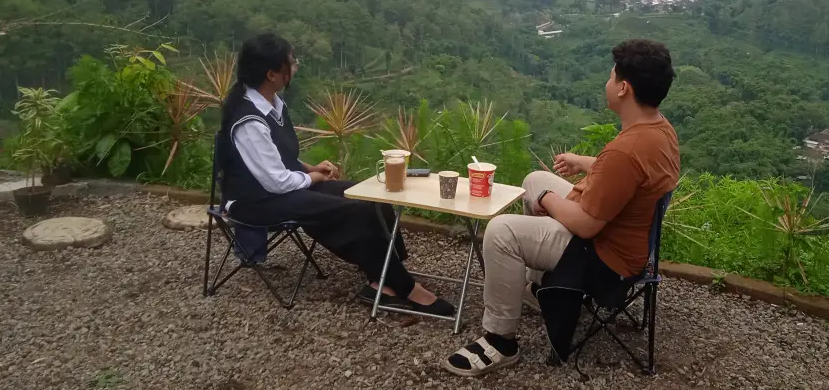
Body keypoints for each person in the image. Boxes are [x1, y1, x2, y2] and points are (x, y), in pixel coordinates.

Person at [443, 39, 679, 377]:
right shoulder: (660, 130)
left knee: (500, 231)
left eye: (612, 77)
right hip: (631, 237)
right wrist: (583, 163)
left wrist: (548, 202)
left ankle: (500, 340)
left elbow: (585, 226)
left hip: (604, 257)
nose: (608, 83)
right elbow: (627, 173)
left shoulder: (626, 150)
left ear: (624, 88)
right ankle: (541, 290)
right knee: (535, 179)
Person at [217, 32, 455, 316]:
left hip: (282, 189)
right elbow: (275, 180)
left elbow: (276, 159)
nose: (295, 67)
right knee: (356, 211)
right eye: (291, 63)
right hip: (256, 202)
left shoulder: (272, 104)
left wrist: (310, 169)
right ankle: (405, 288)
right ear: (271, 74)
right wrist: (315, 179)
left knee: (372, 196)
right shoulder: (249, 120)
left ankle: (384, 278)